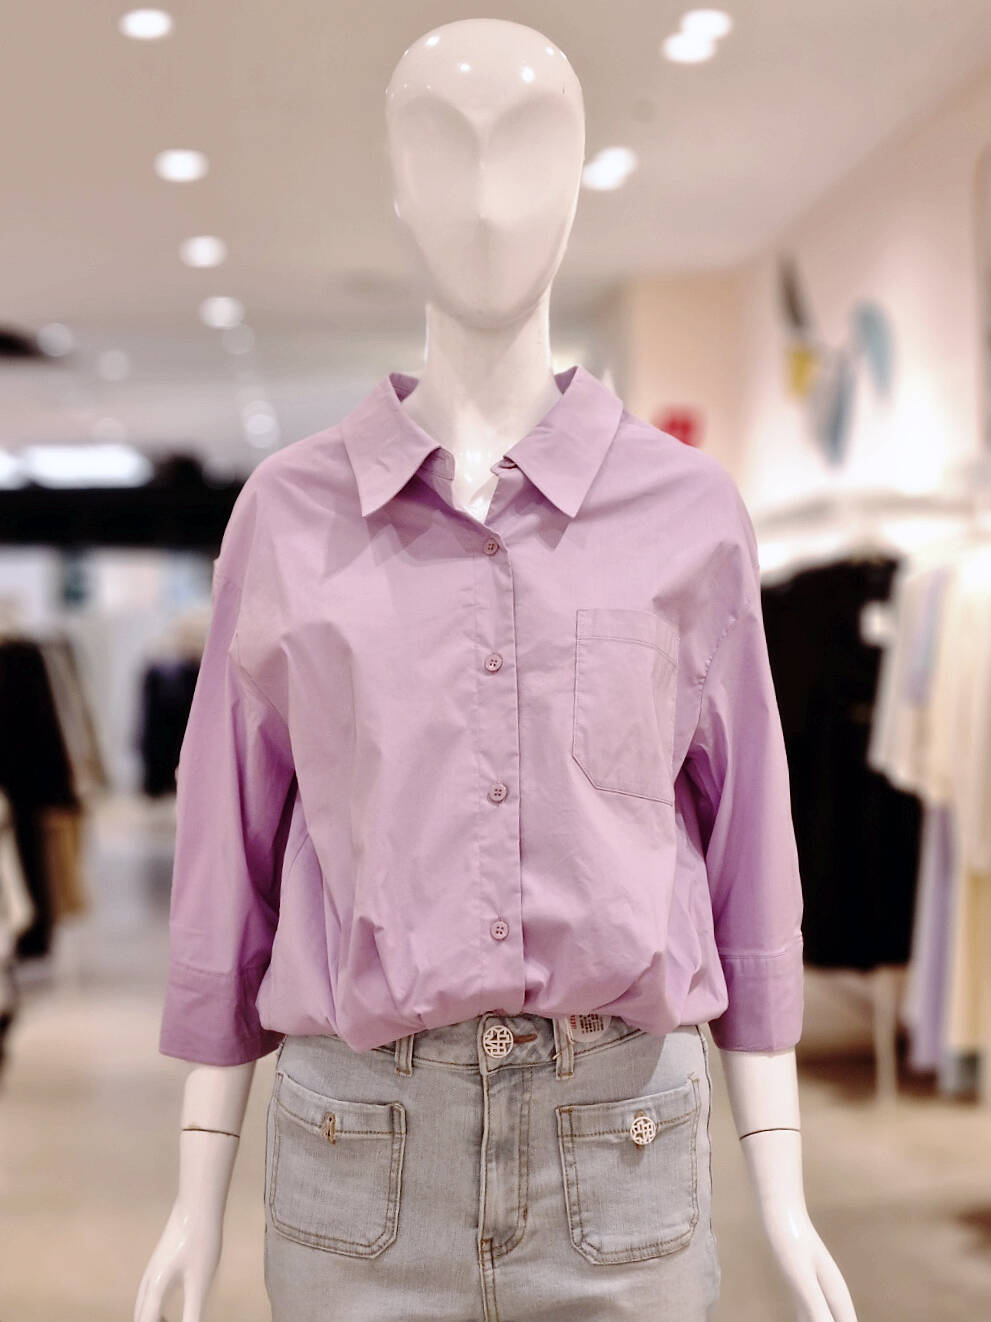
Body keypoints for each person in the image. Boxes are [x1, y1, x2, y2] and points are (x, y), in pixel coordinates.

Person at [135, 19, 859, 1322]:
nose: (485, 203)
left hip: (621, 1135)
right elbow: (228, 847)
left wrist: (783, 1184)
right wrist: (195, 1190)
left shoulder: (688, 510)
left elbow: (749, 838)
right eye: (442, 151)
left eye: (526, 152)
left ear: (578, 186)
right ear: (395, 188)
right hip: (357, 1139)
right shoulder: (288, 515)